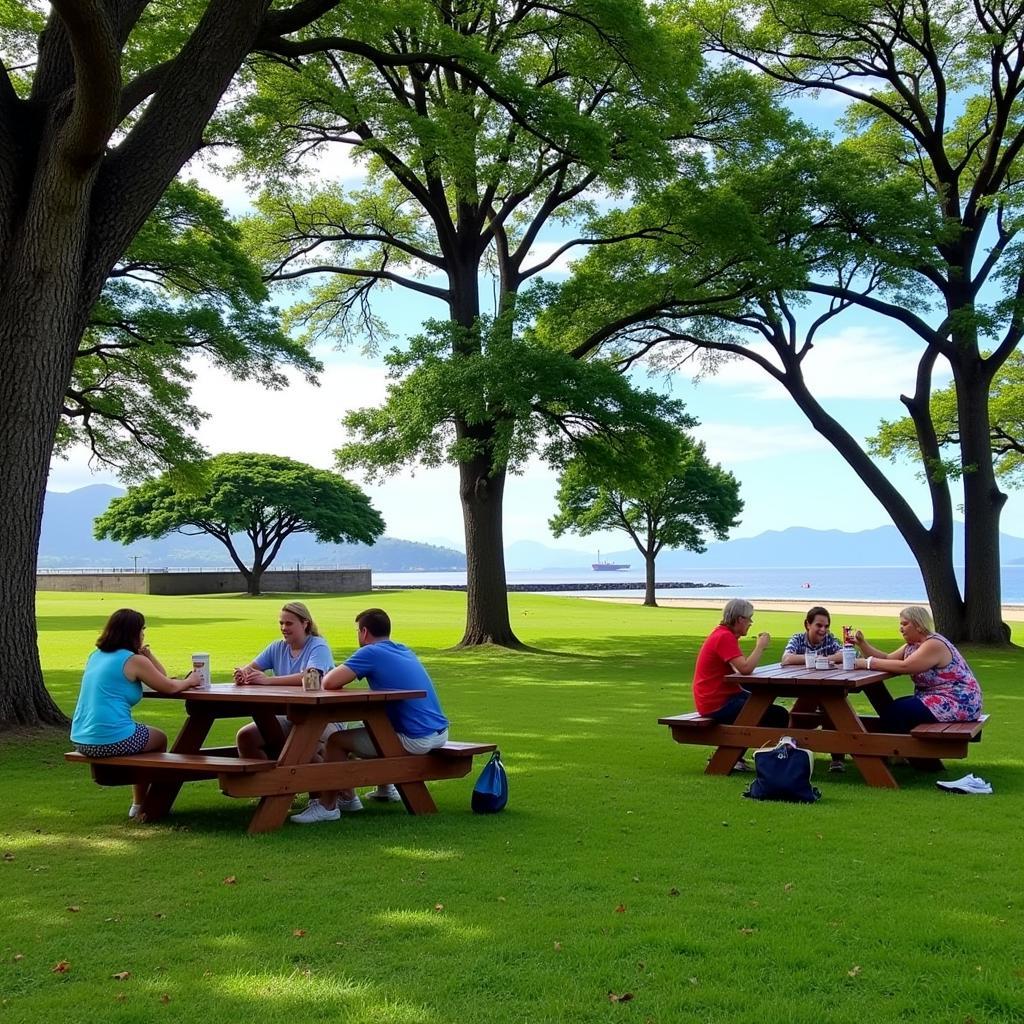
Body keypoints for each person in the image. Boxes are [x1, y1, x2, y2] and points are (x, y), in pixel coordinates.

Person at [290, 607, 450, 824]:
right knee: (373, 726)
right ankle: (385, 789)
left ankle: (327, 807)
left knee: (336, 741)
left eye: (358, 631)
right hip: (439, 732)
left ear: (364, 632)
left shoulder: (370, 652)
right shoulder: (403, 649)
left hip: (415, 738)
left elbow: (329, 682)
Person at [70, 608, 202, 819]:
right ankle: (143, 803)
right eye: (142, 630)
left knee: (145, 737)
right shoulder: (132, 661)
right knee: (159, 739)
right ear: (133, 633)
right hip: (111, 740)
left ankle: (140, 804)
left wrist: (148, 655)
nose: (143, 634)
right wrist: (191, 681)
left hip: (81, 738)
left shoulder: (96, 655)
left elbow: (161, 677)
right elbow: (168, 686)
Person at [233, 601, 339, 760]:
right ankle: (267, 783)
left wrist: (268, 681)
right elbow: (250, 669)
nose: (283, 628)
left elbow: (311, 679)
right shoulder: (277, 647)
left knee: (301, 750)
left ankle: (325, 780)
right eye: (281, 623)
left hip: (321, 717)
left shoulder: (318, 646)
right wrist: (242, 674)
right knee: (246, 737)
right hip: (290, 716)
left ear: (305, 624)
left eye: (289, 623)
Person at [692, 599, 788, 772]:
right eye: (749, 618)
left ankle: (739, 756)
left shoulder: (723, 635)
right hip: (717, 703)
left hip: (719, 698)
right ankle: (771, 761)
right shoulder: (724, 637)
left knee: (760, 707)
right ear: (739, 619)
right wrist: (760, 647)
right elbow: (745, 669)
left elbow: (738, 667)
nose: (751, 623)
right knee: (777, 715)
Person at [854, 605, 983, 734]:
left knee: (896, 711)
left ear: (919, 625)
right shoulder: (913, 646)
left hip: (959, 701)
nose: (901, 629)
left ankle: (899, 750)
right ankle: (897, 749)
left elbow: (905, 666)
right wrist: (862, 644)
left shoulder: (933, 644)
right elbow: (887, 658)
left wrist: (867, 663)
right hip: (935, 697)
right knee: (892, 708)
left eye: (905, 624)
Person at [780, 605, 847, 773]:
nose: (823, 630)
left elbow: (846, 654)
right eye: (819, 625)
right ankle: (790, 751)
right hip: (803, 687)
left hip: (827, 687)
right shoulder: (797, 639)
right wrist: (817, 659)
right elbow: (786, 658)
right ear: (807, 624)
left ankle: (836, 759)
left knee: (832, 706)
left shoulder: (830, 639)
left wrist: (824, 659)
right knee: (828, 707)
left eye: (826, 626)